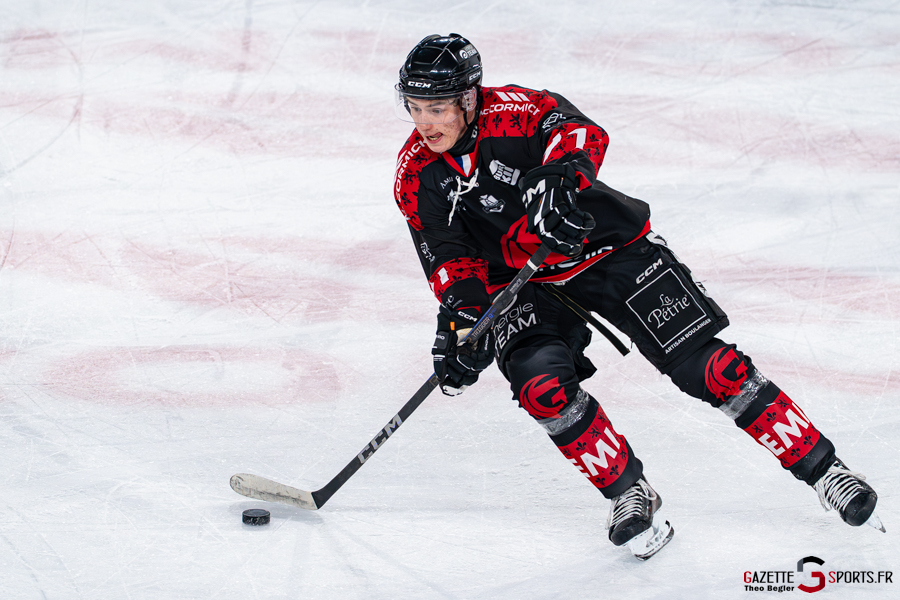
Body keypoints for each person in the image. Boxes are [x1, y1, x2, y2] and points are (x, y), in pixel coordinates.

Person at [391, 33, 883, 560]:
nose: (426, 124)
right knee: (541, 387)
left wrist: (560, 177)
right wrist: (464, 321)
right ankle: (629, 493)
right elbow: (446, 255)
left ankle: (826, 470)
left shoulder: (512, 111)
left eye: (438, 108)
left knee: (711, 368)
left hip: (608, 249)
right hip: (527, 284)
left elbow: (577, 129)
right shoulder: (415, 172)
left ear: (468, 98)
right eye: (415, 108)